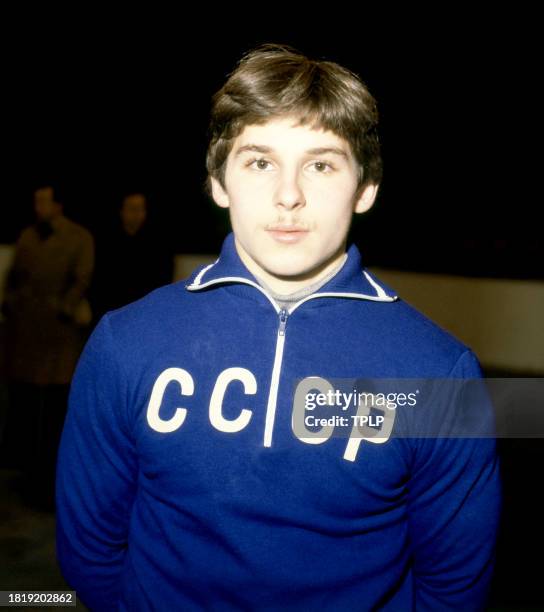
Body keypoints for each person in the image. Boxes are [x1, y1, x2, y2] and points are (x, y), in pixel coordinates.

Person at [56, 44, 501, 610]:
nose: (288, 195)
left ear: (365, 188)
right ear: (219, 182)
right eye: (259, 162)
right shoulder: (125, 343)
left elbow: (454, 586)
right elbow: (91, 553)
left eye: (321, 164)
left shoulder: (441, 372)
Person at [1, 185, 94, 509]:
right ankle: (26, 476)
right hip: (26, 334)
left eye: (44, 201)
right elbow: (14, 278)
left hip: (58, 338)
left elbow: (82, 278)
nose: (39, 207)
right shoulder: (28, 236)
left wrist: (64, 308)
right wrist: (12, 303)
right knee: (26, 407)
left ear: (58, 205)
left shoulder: (79, 237)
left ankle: (52, 483)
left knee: (55, 410)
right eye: (36, 201)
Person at [90, 192, 174, 324]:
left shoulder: (157, 243)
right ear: (122, 211)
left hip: (145, 312)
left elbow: (162, 280)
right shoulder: (105, 242)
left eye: (140, 209)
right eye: (132, 209)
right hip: (112, 312)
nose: (137, 214)